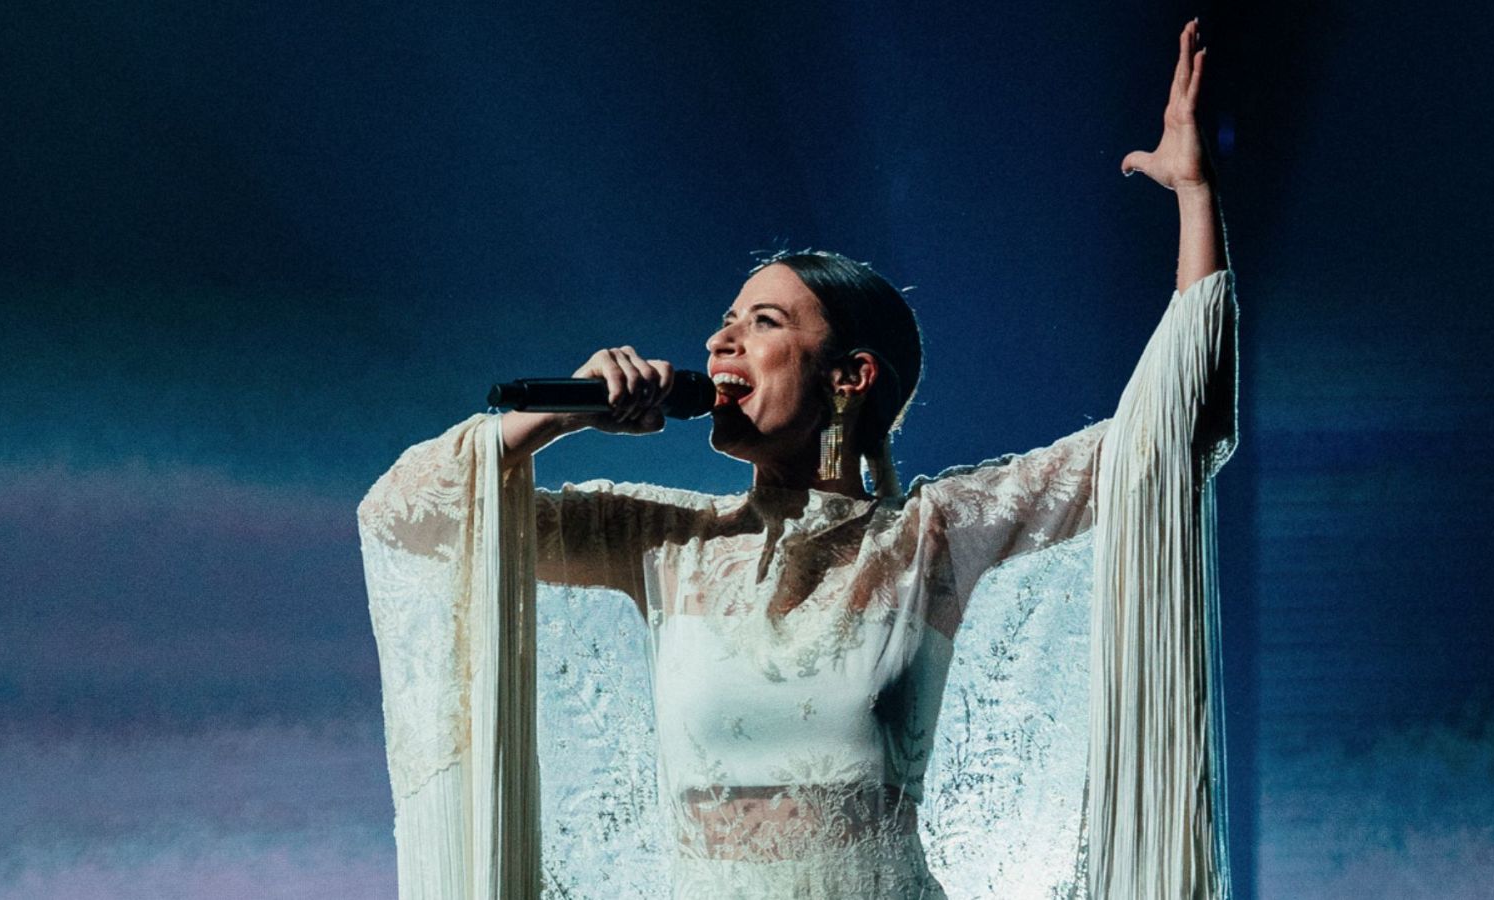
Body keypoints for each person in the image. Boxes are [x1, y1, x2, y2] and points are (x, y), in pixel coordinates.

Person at [358, 19, 1235, 900]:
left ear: (850, 376)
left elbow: (1173, 434)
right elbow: (412, 522)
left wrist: (1194, 195)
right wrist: (554, 418)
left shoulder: (930, 538)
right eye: (724, 323)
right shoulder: (666, 544)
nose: (719, 341)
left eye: (762, 324)